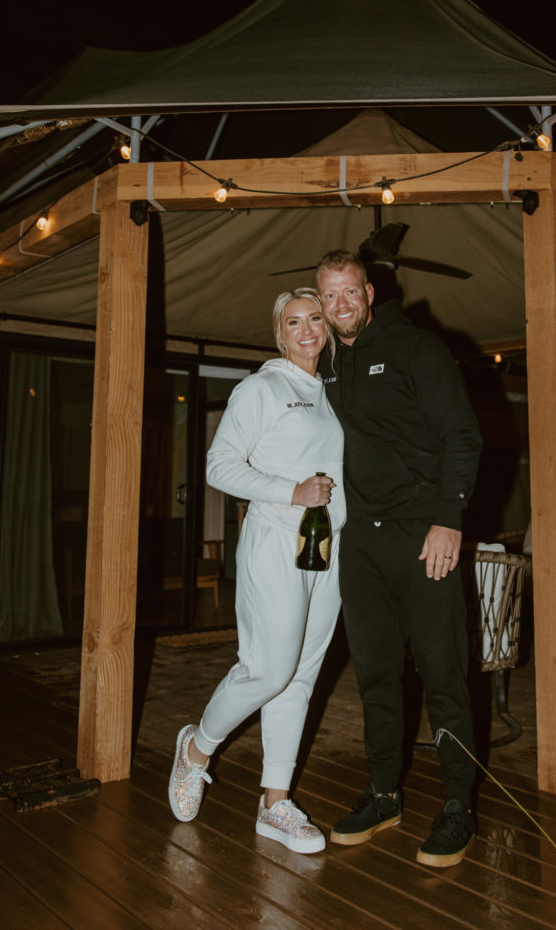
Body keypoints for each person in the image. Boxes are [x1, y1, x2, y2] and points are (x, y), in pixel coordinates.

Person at [315, 250, 482, 868]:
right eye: (329, 297)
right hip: (362, 542)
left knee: (443, 674)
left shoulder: (419, 349)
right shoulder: (329, 362)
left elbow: (462, 436)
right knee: (377, 676)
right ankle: (384, 794)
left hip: (423, 535)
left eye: (349, 293)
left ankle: (459, 806)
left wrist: (449, 519)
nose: (340, 306)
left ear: (370, 294)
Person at [168, 289, 345, 854]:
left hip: (331, 549)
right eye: (294, 322)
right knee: (268, 669)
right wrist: (290, 492)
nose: (307, 329)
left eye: (315, 318)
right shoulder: (263, 388)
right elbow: (219, 466)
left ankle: (276, 803)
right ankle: (197, 748)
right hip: (276, 540)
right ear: (279, 333)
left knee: (301, 676)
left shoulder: (335, 392)